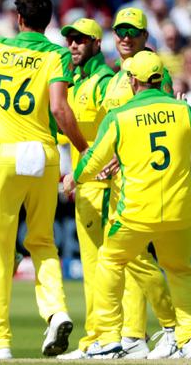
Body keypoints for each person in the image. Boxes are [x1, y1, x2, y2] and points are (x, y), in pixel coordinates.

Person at [64, 50, 191, 359]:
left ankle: (110, 337)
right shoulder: (182, 110)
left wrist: (75, 177)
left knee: (110, 261)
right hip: (180, 210)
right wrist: (183, 109)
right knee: (181, 272)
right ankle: (189, 338)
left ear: (132, 80)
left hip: (136, 212)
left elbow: (93, 161)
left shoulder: (120, 115)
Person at [0, 0, 89, 359]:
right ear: (48, 20)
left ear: (18, 18)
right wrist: (84, 147)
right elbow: (59, 108)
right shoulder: (57, 55)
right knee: (42, 241)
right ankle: (56, 311)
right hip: (43, 153)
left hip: (7, 153)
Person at [87, 7, 179, 359]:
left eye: (132, 32)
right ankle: (132, 337)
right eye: (120, 31)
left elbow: (165, 125)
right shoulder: (116, 74)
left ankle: (172, 331)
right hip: (117, 182)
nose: (125, 37)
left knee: (135, 258)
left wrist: (120, 158)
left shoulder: (155, 73)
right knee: (126, 261)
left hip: (140, 180)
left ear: (145, 36)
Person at [54, 18, 116, 360]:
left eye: (81, 40)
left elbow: (115, 129)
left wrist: (98, 167)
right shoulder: (75, 82)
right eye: (71, 39)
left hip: (103, 181)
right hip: (84, 180)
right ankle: (101, 336)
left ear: (96, 43)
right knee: (93, 265)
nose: (74, 45)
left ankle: (107, 336)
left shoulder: (103, 80)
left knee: (105, 263)